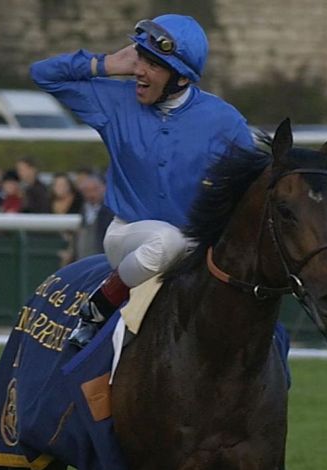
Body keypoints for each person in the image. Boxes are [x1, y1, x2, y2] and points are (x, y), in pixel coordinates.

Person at [30, 14, 255, 346]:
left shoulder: (225, 121)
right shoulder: (116, 100)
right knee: (168, 241)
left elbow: (251, 189)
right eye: (139, 59)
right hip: (128, 236)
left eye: (152, 64)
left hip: (196, 247)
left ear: (180, 77)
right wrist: (103, 64)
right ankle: (96, 309)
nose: (138, 70)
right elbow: (42, 74)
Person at [75, 174, 114, 259]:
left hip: (102, 257)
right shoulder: (83, 208)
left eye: (94, 190)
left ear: (103, 188)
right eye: (86, 191)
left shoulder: (110, 210)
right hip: (83, 257)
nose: (90, 194)